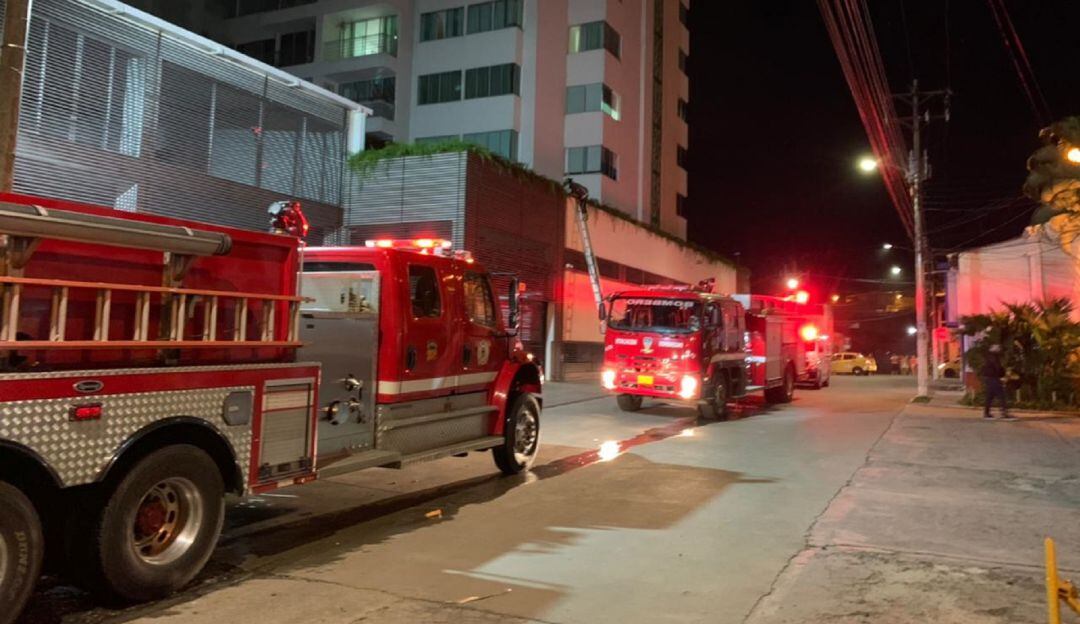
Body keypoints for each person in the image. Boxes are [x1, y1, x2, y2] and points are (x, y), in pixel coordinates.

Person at [980, 345, 1011, 420]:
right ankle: (1004, 413)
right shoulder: (994, 358)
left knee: (989, 396)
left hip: (989, 379)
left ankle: (986, 413)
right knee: (1001, 395)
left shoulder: (988, 357)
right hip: (994, 379)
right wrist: (1002, 374)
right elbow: (998, 368)